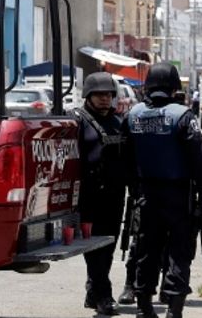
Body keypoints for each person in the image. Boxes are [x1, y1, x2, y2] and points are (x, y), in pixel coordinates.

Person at [125, 62, 202, 318]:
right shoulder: (183, 115)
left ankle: (144, 307)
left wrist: (135, 189)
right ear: (175, 86)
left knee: (146, 250)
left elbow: (125, 158)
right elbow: (200, 160)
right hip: (179, 197)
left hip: (145, 195)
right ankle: (174, 310)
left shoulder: (133, 115)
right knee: (179, 251)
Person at [77, 72, 131, 316]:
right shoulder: (78, 121)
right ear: (88, 96)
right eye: (99, 94)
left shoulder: (119, 122)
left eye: (108, 94)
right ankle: (104, 295)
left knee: (108, 246)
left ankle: (93, 290)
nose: (104, 99)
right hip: (88, 197)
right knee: (93, 246)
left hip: (115, 195)